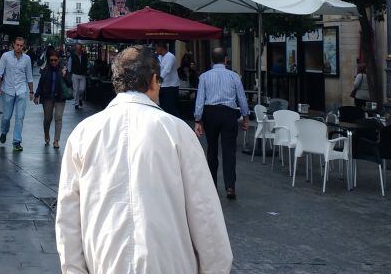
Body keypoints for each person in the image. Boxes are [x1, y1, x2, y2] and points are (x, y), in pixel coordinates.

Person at [56, 46, 233, 273]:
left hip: (103, 264)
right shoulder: (177, 131)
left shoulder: (83, 134)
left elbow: (68, 219)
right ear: (153, 81)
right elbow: (205, 214)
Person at [194, 47, 250, 200]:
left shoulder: (204, 77)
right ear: (226, 59)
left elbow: (200, 100)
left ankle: (212, 185)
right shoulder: (234, 76)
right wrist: (245, 117)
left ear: (212, 60)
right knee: (229, 151)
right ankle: (230, 186)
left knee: (212, 149)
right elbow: (242, 99)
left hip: (210, 113)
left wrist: (198, 119)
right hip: (228, 114)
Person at [0, 36, 34, 152]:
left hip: (21, 90)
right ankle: (4, 131)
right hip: (8, 90)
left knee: (20, 117)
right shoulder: (5, 57)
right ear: (13, 44)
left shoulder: (27, 59)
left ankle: (17, 141)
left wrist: (31, 92)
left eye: (21, 46)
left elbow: (29, 76)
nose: (19, 47)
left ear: (23, 46)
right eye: (17, 45)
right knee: (6, 117)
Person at [35, 50, 69, 148]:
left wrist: (65, 75)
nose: (53, 62)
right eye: (51, 60)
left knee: (58, 118)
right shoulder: (46, 70)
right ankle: (46, 134)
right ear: (49, 60)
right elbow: (41, 83)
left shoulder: (63, 69)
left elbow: (70, 83)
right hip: (47, 97)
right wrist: (37, 95)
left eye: (55, 60)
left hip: (60, 97)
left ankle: (56, 140)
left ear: (58, 60)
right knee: (48, 118)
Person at [155, 42, 179, 115]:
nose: (156, 50)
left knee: (171, 108)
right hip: (163, 86)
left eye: (157, 48)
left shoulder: (170, 57)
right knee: (163, 107)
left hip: (171, 86)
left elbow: (166, 70)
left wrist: (159, 79)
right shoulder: (160, 57)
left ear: (161, 48)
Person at [67, 44, 88, 109]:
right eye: (77, 49)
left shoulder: (84, 56)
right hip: (75, 74)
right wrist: (70, 72)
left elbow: (87, 64)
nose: (78, 50)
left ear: (81, 49)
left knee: (82, 89)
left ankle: (80, 99)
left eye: (79, 48)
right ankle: (76, 103)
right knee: (76, 89)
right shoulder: (72, 56)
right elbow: (69, 64)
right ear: (75, 49)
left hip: (82, 74)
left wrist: (87, 69)